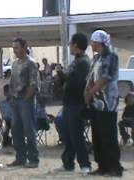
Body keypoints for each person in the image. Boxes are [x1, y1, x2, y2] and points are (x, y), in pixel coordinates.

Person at [85, 30, 123, 177]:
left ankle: (114, 167)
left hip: (108, 103)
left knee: (108, 136)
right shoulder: (96, 59)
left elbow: (105, 78)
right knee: (98, 136)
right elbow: (91, 77)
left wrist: (91, 91)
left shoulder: (110, 57)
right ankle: (102, 166)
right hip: (96, 103)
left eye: (93, 41)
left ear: (99, 42)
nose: (92, 44)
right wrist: (87, 92)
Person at [55, 33, 91, 174]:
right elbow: (67, 80)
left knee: (76, 136)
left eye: (70, 43)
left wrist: (61, 73)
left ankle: (85, 165)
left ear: (76, 45)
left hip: (77, 104)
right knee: (68, 136)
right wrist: (61, 77)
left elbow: (76, 82)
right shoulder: (75, 61)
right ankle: (68, 163)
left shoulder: (83, 62)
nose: (69, 46)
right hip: (68, 104)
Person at [7, 37, 40, 168]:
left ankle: (33, 159)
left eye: (17, 47)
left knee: (29, 130)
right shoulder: (15, 63)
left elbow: (34, 84)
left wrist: (26, 98)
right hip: (15, 100)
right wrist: (11, 96)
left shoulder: (30, 63)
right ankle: (20, 158)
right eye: (13, 48)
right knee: (15, 129)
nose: (15, 50)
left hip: (26, 100)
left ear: (24, 47)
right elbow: (12, 82)